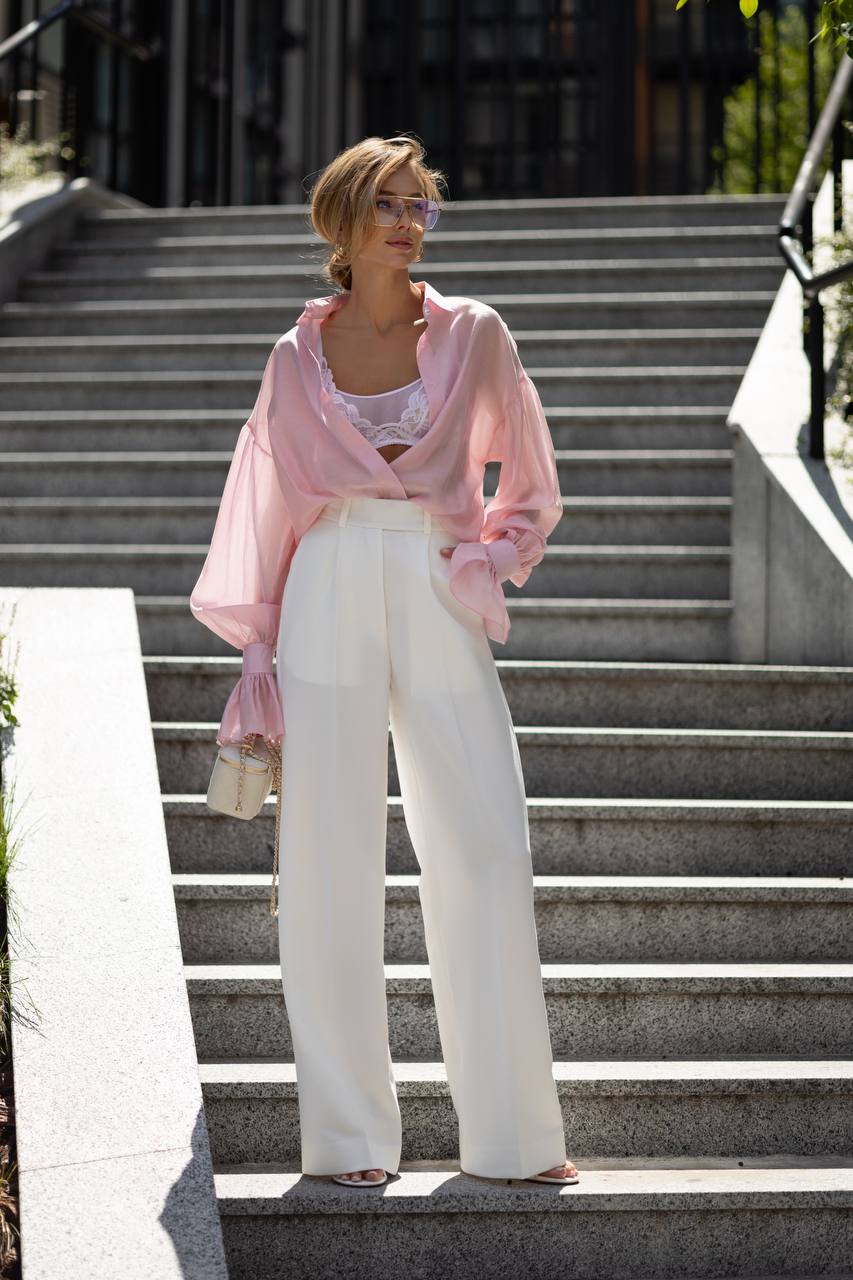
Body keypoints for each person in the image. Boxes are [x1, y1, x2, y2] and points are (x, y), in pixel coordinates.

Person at [190, 133, 580, 1189]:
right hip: (323, 588)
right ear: (346, 219)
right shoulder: (291, 354)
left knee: (487, 843)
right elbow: (266, 512)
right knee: (326, 859)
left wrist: (489, 560)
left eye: (425, 206)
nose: (412, 223)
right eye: (393, 205)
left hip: (434, 580)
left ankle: (513, 1135)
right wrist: (258, 651)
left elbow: (529, 484)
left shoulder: (475, 334)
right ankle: (351, 1139)